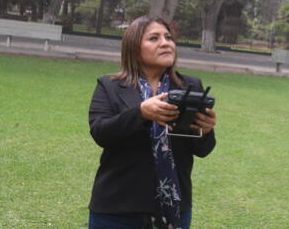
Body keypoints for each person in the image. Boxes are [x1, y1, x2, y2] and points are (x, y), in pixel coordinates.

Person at [88, 15, 217, 229]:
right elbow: (101, 133)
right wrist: (140, 113)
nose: (165, 43)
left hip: (174, 209)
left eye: (168, 37)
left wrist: (205, 130)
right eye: (154, 38)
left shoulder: (190, 86)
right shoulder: (110, 86)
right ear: (133, 48)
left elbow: (202, 150)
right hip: (117, 208)